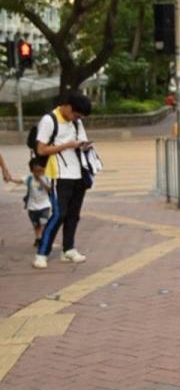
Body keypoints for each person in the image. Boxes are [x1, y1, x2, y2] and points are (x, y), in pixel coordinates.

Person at [32, 91, 94, 269]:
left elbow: (81, 141)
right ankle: (42, 253)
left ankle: (69, 249)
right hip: (58, 174)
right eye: (76, 114)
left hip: (78, 173)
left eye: (80, 116)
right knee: (59, 214)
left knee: (73, 215)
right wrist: (66, 145)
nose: (77, 118)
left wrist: (84, 145)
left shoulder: (76, 121)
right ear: (67, 107)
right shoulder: (49, 120)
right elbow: (41, 150)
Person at [23, 156, 53, 248]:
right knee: (36, 225)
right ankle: (38, 238)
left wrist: (40, 180)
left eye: (40, 170)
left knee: (44, 222)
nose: (39, 173)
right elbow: (19, 180)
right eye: (36, 171)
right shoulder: (29, 178)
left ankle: (44, 239)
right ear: (32, 171)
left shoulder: (47, 178)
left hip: (45, 205)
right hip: (32, 207)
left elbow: (49, 189)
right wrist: (9, 178)